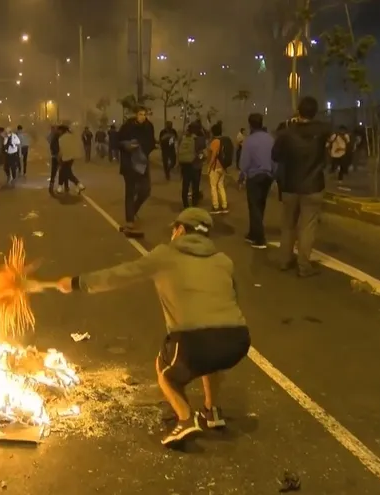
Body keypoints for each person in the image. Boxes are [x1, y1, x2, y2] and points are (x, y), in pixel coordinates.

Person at [52, 208, 250, 447]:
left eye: (174, 230)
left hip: (194, 341)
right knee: (212, 361)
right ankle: (212, 411)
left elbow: (121, 274)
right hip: (237, 340)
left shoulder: (165, 254)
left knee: (165, 371)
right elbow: (233, 296)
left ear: (180, 230)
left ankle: (185, 420)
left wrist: (77, 283)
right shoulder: (223, 260)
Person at [271, 96, 331, 277]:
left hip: (289, 185)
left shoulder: (287, 133)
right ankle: (304, 266)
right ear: (315, 112)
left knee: (288, 225)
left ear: (298, 111)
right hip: (313, 185)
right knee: (307, 227)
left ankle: (284, 260)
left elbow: (275, 156)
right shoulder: (323, 131)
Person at [117, 106, 156, 237]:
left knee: (146, 190)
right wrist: (127, 145)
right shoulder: (127, 126)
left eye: (144, 114)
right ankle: (130, 220)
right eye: (140, 114)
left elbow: (151, 143)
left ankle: (132, 211)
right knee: (130, 191)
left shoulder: (148, 127)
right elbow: (118, 141)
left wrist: (142, 149)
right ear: (135, 114)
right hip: (129, 163)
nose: (142, 117)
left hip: (143, 162)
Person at [239, 113, 276, 249]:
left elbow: (245, 162)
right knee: (261, 205)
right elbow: (274, 158)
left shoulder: (249, 140)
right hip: (268, 176)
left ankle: (260, 238)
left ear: (250, 124)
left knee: (254, 206)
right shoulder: (270, 139)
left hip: (254, 176)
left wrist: (242, 175)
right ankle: (253, 233)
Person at [177, 123, 205, 208]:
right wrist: (202, 159)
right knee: (195, 185)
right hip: (195, 165)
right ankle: (194, 203)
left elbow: (178, 149)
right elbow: (202, 152)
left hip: (184, 164)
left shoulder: (183, 138)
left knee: (185, 184)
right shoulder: (198, 139)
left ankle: (185, 203)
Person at [207, 122, 231, 214]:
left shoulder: (215, 142)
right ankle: (224, 205)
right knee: (221, 186)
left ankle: (215, 206)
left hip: (215, 167)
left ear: (213, 132)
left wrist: (209, 166)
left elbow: (213, 155)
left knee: (213, 186)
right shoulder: (224, 140)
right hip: (223, 167)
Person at [56, 123, 86, 194]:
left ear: (61, 130)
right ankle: (61, 187)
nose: (58, 132)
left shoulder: (61, 139)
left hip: (65, 158)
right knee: (65, 171)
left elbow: (61, 150)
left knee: (66, 173)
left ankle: (78, 184)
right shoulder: (71, 136)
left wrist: (59, 157)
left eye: (59, 130)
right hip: (72, 158)